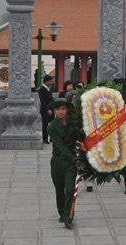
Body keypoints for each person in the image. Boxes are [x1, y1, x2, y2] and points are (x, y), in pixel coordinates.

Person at [48, 98, 80, 229]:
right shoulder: (52, 127)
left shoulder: (73, 123)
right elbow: (60, 146)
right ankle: (62, 212)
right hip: (58, 162)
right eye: (58, 109)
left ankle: (68, 217)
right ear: (54, 111)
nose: (60, 112)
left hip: (70, 164)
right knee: (59, 190)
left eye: (63, 109)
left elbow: (81, 135)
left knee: (70, 189)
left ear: (67, 110)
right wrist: (74, 159)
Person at [38, 75, 55, 144]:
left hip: (52, 109)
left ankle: (52, 138)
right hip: (45, 110)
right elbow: (43, 101)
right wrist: (47, 109)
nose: (52, 82)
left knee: (53, 124)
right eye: (50, 81)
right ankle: (45, 139)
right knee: (45, 125)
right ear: (46, 81)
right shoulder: (41, 89)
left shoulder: (49, 89)